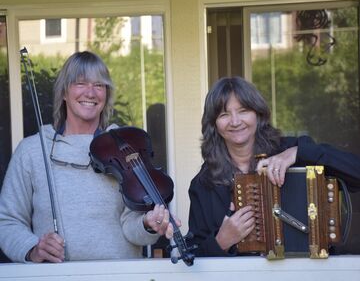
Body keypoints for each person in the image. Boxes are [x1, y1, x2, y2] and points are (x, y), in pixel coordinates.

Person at [0, 51, 177, 263]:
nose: (91, 93)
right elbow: (8, 221)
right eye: (80, 83)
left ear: (106, 94)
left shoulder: (125, 150)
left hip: (119, 277)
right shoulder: (31, 151)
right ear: (64, 92)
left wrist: (148, 224)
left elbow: (131, 227)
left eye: (99, 85)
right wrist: (32, 250)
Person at [188, 76, 360, 257]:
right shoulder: (204, 183)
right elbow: (193, 255)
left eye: (243, 110)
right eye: (224, 114)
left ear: (258, 114)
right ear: (214, 123)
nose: (235, 121)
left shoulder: (291, 152)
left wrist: (296, 153)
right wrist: (221, 241)